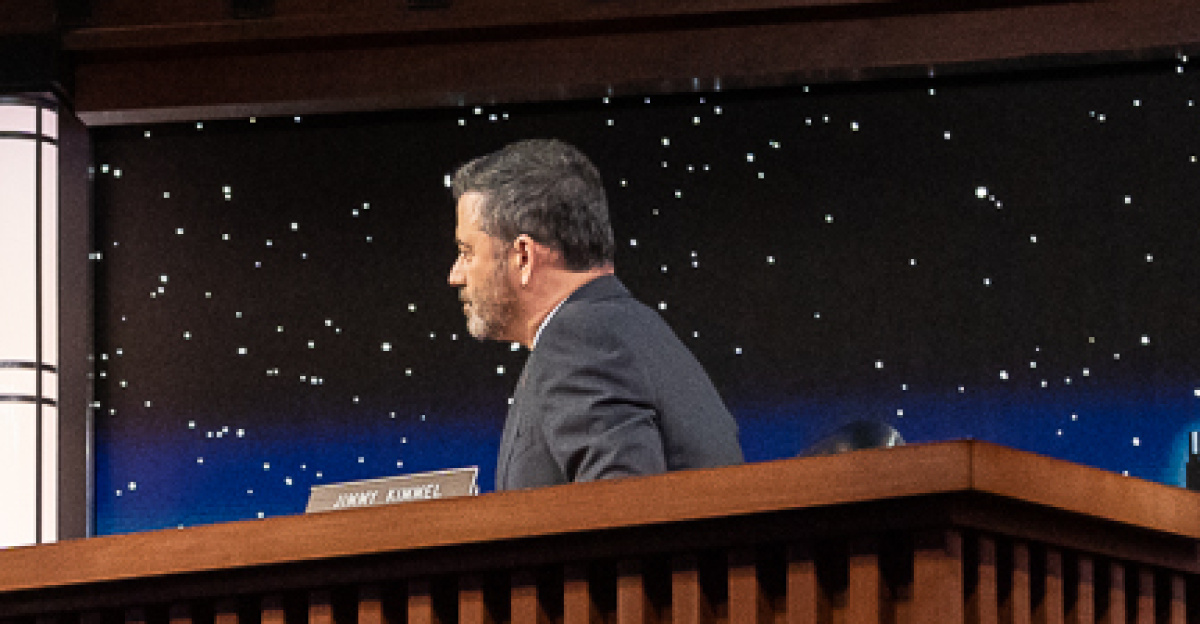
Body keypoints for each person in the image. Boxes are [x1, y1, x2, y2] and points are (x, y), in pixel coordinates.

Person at [447, 138, 744, 491]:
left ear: (523, 256)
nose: (455, 275)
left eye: (467, 252)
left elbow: (622, 506)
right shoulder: (631, 328)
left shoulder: (578, 340)